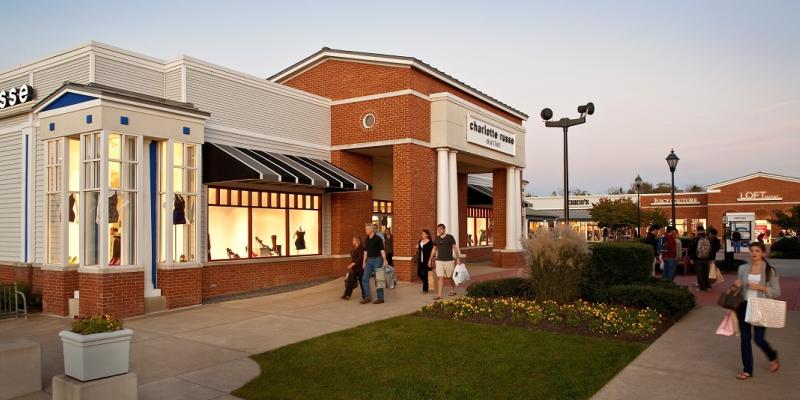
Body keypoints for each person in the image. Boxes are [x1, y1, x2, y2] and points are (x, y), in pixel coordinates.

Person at [732, 241, 781, 380]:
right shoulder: (743, 269)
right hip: (743, 306)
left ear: (763, 253)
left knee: (759, 339)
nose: (754, 253)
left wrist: (762, 288)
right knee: (745, 339)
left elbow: (776, 291)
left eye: (757, 251)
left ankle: (772, 356)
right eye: (752, 250)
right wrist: (737, 285)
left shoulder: (770, 271)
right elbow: (739, 289)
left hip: (761, 306)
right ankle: (747, 370)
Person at [429, 223, 461, 301]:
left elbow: (455, 248)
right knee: (440, 277)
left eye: (440, 229)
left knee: (450, 277)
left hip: (449, 261)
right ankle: (439, 295)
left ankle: (453, 290)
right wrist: (430, 259)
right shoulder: (437, 238)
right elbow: (434, 249)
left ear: (444, 229)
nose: (439, 231)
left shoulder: (450, 237)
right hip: (439, 261)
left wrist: (458, 258)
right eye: (438, 229)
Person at [361, 223, 389, 304]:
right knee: (364, 279)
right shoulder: (366, 239)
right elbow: (365, 251)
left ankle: (380, 298)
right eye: (365, 229)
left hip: (377, 260)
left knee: (378, 279)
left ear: (371, 229)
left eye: (367, 229)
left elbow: (382, 251)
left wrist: (384, 261)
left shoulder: (378, 239)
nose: (365, 230)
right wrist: (363, 262)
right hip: (369, 261)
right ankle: (367, 297)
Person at [690, 225, 713, 291]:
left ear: (697, 231)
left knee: (699, 273)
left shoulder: (695, 239)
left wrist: (692, 258)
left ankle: (702, 288)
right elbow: (711, 249)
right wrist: (710, 258)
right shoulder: (707, 238)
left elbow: (692, 249)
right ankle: (706, 286)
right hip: (706, 258)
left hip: (697, 259)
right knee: (705, 273)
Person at [341, 236, 365, 300]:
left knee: (362, 282)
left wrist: (351, 265)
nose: (352, 241)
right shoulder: (354, 248)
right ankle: (346, 295)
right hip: (354, 268)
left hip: (360, 268)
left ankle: (365, 295)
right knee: (350, 281)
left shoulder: (361, 249)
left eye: (353, 240)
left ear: (357, 241)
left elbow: (359, 259)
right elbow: (353, 257)